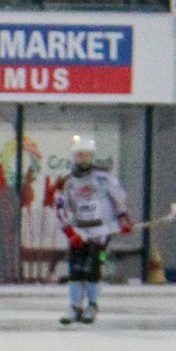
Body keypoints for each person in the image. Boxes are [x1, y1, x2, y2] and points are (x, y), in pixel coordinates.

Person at [53, 134, 132, 325]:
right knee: (76, 268)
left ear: (92, 156)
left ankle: (92, 304)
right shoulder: (68, 182)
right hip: (80, 229)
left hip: (101, 230)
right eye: (79, 155)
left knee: (93, 266)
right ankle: (74, 306)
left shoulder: (104, 178)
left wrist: (123, 217)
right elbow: (61, 208)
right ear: (74, 156)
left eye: (87, 155)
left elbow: (119, 198)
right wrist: (70, 232)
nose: (83, 159)